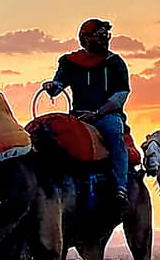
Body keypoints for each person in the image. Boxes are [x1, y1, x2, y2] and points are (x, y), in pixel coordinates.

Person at [42, 18, 130, 204]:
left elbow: (120, 96)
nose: (105, 39)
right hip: (78, 115)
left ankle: (121, 186)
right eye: (100, 36)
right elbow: (59, 84)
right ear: (86, 38)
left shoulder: (115, 63)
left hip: (106, 115)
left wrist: (98, 113)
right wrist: (51, 87)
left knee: (115, 133)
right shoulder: (70, 62)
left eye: (106, 35)